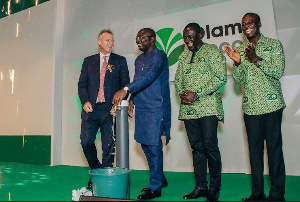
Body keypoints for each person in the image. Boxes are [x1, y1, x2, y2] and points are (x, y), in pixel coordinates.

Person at [224, 13, 286, 201]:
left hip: (271, 104)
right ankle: (257, 193)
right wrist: (237, 63)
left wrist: (256, 59)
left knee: (274, 151)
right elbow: (239, 79)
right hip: (251, 108)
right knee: (255, 151)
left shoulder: (274, 45)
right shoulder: (241, 49)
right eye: (244, 24)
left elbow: (277, 71)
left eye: (250, 22)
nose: (247, 26)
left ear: (258, 24)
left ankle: (277, 195)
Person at [113, 28, 171, 200]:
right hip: (142, 106)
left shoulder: (159, 56)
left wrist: (125, 89)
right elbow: (139, 79)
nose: (138, 40)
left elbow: (150, 76)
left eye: (142, 37)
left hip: (155, 107)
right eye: (137, 37)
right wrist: (132, 99)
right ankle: (159, 177)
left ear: (152, 39)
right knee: (145, 144)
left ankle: (156, 187)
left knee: (153, 145)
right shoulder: (139, 59)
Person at [175, 22, 227, 202]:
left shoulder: (212, 52)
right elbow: (178, 79)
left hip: (208, 107)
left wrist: (197, 94)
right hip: (189, 110)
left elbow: (220, 77)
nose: (187, 40)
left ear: (200, 34)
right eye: (185, 37)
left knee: (210, 147)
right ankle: (200, 186)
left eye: (190, 36)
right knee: (196, 149)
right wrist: (183, 94)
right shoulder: (183, 56)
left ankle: (214, 188)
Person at [78, 29, 130, 189]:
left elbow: (125, 86)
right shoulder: (88, 61)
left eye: (112, 40)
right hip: (91, 109)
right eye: (107, 40)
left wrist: (118, 104)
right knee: (86, 141)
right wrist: (85, 101)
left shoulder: (120, 61)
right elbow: (82, 85)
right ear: (99, 42)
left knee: (108, 147)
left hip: (110, 111)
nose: (111, 43)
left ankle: (104, 181)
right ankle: (96, 170)